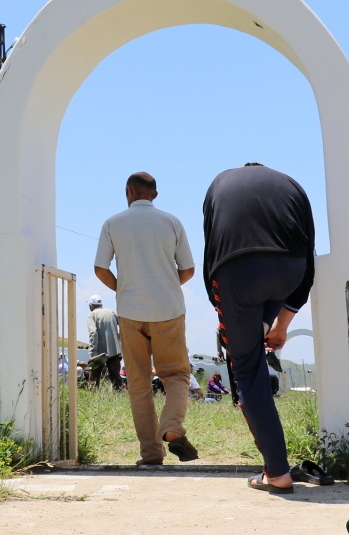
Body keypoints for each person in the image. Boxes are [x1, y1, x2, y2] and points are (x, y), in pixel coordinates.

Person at [202, 163, 316, 493]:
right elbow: (307, 261)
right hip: (289, 270)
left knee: (247, 369)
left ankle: (277, 473)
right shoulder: (292, 183)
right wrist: (281, 326)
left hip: (237, 272)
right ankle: (263, 327)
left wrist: (225, 317)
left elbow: (212, 250)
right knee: (261, 326)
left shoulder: (218, 183)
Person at [95, 171, 198, 465]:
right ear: (155, 194)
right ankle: (172, 428)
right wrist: (164, 285)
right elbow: (188, 269)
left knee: (139, 384)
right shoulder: (171, 222)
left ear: (129, 191)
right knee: (177, 375)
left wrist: (124, 289)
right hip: (169, 311)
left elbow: (100, 268)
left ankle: (151, 454)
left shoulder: (113, 223)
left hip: (130, 313)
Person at [84, 295, 123, 390]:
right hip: (114, 350)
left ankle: (94, 400)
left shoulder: (92, 315)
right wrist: (118, 340)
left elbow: (93, 333)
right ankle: (118, 399)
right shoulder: (112, 313)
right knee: (116, 378)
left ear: (91, 305)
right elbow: (123, 326)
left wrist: (93, 352)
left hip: (99, 352)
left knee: (94, 379)